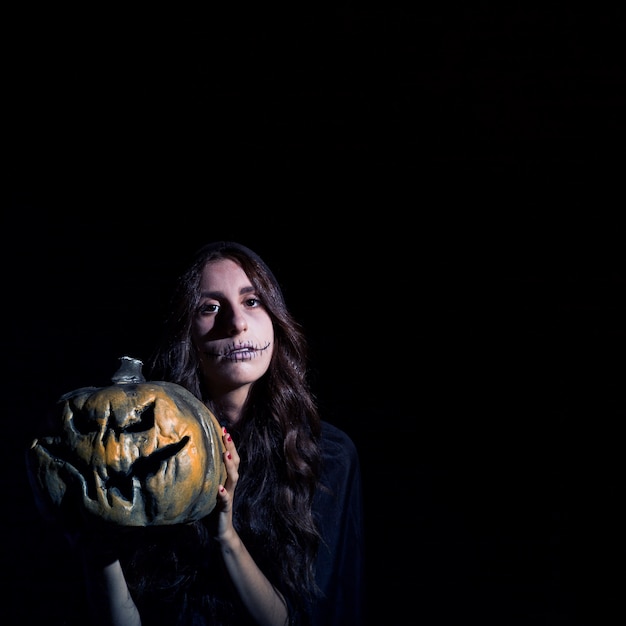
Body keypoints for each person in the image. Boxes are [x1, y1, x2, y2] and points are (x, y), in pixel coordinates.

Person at [58, 241, 365, 626]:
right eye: (210, 308)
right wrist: (98, 546)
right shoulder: (144, 448)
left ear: (276, 318)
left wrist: (225, 533)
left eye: (252, 301)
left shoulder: (326, 454)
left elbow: (296, 620)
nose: (236, 323)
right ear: (186, 333)